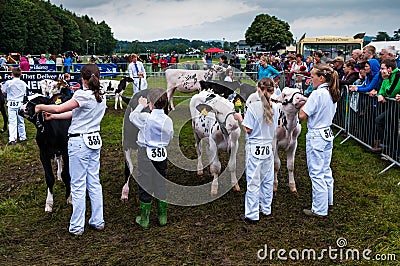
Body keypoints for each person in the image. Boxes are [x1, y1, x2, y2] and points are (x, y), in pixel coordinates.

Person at [34, 64, 107, 236]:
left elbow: (60, 107)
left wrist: (41, 107)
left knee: (78, 184)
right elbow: (75, 113)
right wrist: (55, 117)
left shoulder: (81, 94)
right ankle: (98, 220)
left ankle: (77, 226)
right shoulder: (100, 96)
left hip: (79, 142)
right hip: (94, 140)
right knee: (94, 182)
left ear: (82, 79)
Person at [234, 78, 279, 223]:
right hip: (268, 146)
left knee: (253, 181)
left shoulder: (253, 107)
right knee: (267, 179)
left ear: (260, 89)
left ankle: (252, 214)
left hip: (255, 146)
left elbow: (248, 129)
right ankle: (266, 208)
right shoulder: (276, 108)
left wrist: (240, 118)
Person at [299, 63, 340, 217]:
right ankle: (328, 200)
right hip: (327, 132)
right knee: (325, 169)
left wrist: (303, 107)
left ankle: (319, 209)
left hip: (316, 134)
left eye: (312, 77)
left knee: (316, 172)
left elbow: (302, 116)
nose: (311, 80)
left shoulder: (317, 94)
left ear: (321, 78)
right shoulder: (332, 91)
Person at [129, 88, 174, 228]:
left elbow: (132, 117)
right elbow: (170, 136)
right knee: (160, 181)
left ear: (150, 104)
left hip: (146, 153)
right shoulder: (168, 120)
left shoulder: (146, 118)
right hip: (161, 152)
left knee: (145, 183)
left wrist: (140, 105)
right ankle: (162, 217)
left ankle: (144, 218)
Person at [372, 58, 400, 153]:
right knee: (390, 125)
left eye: (382, 68)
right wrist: (380, 94)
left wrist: (386, 79)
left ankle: (391, 147)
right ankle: (390, 148)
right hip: (394, 106)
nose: (380, 71)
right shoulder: (389, 76)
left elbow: (390, 92)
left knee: (381, 121)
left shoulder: (397, 75)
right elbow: (382, 90)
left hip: (396, 105)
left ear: (389, 69)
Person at [0, 67, 28, 145]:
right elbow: (25, 93)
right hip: (20, 104)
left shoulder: (8, 82)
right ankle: (23, 137)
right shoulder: (23, 83)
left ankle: (12, 139)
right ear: (21, 74)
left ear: (12, 74)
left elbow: (3, 91)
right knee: (21, 121)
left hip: (11, 104)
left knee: (12, 122)